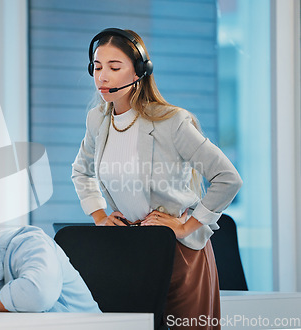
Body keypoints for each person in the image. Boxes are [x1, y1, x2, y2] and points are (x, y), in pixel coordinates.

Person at [72, 28, 242, 329]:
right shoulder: (97, 120)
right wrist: (99, 216)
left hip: (180, 254)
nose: (102, 77)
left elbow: (227, 178)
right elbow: (81, 171)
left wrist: (187, 226)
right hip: (133, 253)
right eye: (97, 67)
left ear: (140, 71)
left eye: (114, 67)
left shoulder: (171, 122)